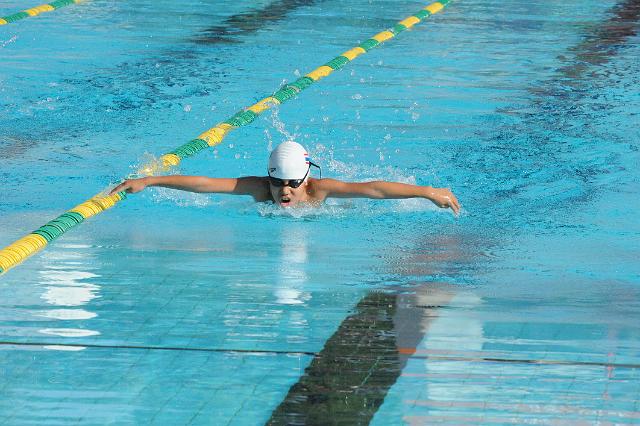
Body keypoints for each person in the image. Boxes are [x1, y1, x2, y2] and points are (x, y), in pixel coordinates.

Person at [110, 141, 460, 214]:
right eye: (278, 183)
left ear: (306, 179)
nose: (285, 192)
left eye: (292, 183)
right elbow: (206, 184)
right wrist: (150, 180)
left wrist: (427, 191)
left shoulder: (319, 190)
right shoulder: (261, 190)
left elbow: (373, 190)